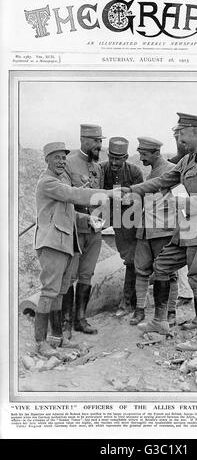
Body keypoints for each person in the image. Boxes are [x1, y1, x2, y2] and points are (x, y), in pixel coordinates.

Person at [121, 113, 197, 351]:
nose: (179, 137)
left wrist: (182, 204)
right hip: (186, 228)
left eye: (182, 132)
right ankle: (160, 322)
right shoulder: (189, 160)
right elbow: (163, 180)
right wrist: (132, 189)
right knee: (162, 266)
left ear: (196, 131)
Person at [34, 142, 108, 357]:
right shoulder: (48, 182)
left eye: (64, 158)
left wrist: (89, 218)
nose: (61, 161)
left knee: (60, 292)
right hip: (52, 244)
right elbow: (74, 195)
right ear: (47, 159)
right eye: (56, 157)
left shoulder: (57, 185)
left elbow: (70, 214)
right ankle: (41, 342)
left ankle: (58, 338)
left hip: (65, 244)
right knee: (49, 291)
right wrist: (108, 194)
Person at [61, 124, 105, 337]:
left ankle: (80, 319)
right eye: (96, 141)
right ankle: (66, 322)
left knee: (87, 274)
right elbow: (66, 198)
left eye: (100, 141)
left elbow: (101, 197)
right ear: (83, 139)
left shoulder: (97, 167)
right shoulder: (68, 164)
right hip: (75, 229)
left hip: (95, 231)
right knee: (70, 276)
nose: (99, 145)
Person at [131, 137, 178, 326]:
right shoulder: (151, 173)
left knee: (167, 272)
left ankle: (171, 312)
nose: (141, 158)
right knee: (141, 269)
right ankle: (140, 310)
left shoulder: (171, 171)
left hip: (163, 230)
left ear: (156, 153)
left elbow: (179, 200)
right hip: (145, 229)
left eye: (144, 155)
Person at [101, 137, 143, 317]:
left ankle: (127, 302)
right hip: (110, 220)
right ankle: (131, 300)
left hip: (130, 222)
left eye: (118, 159)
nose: (114, 162)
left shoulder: (135, 172)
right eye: (111, 157)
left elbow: (141, 196)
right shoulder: (102, 169)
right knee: (127, 258)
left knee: (131, 260)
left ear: (126, 157)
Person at [169, 125, 194, 307]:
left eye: (181, 135)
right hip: (181, 210)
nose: (179, 140)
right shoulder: (176, 161)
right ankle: (185, 292)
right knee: (183, 247)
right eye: (176, 136)